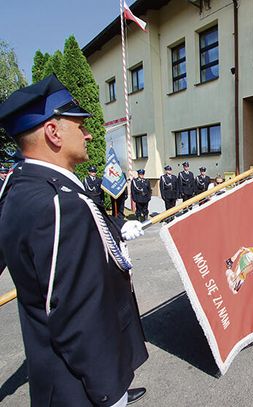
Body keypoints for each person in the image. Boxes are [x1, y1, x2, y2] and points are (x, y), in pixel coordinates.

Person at [0, 74, 147, 406]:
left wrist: (114, 236)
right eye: (79, 125)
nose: (88, 133)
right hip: (84, 387)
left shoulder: (21, 186)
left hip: (60, 378)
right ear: (53, 132)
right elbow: (78, 314)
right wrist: (109, 390)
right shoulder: (59, 203)